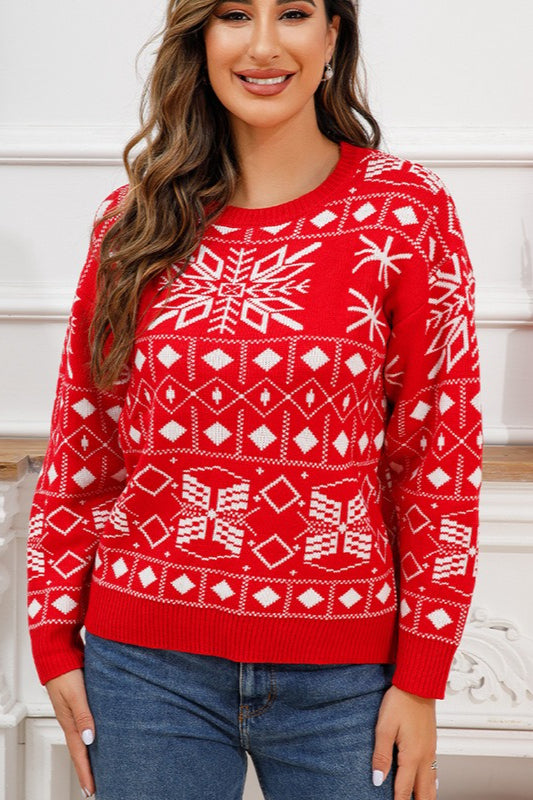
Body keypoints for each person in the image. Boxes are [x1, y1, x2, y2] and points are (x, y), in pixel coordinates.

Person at [26, 0, 483, 797]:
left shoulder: (405, 214)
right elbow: (84, 444)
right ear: (200, 37)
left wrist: (420, 677)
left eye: (293, 12)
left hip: (346, 679)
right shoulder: (132, 222)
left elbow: (437, 458)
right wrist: (53, 638)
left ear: (332, 33)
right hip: (143, 672)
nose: (263, 45)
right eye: (235, 14)